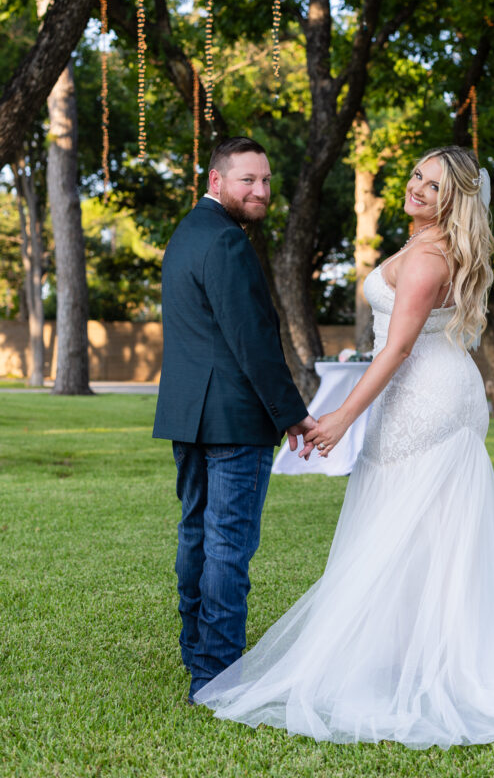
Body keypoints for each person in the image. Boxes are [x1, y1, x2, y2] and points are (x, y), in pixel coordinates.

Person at [194, 146, 494, 746]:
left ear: (454, 200)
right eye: (416, 176)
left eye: (434, 186)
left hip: (426, 397)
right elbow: (396, 341)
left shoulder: (429, 257)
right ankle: (410, 654)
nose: (416, 189)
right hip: (425, 385)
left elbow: (400, 348)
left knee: (409, 524)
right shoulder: (425, 247)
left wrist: (339, 418)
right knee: (413, 528)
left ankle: (429, 668)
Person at [153, 136, 316, 702]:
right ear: (217, 181)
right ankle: (218, 675)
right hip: (233, 419)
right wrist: (292, 415)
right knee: (227, 544)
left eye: (267, 180)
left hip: (190, 415)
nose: (262, 190)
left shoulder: (186, 235)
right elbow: (252, 343)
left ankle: (199, 654)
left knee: (197, 533)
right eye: (248, 180)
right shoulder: (225, 243)